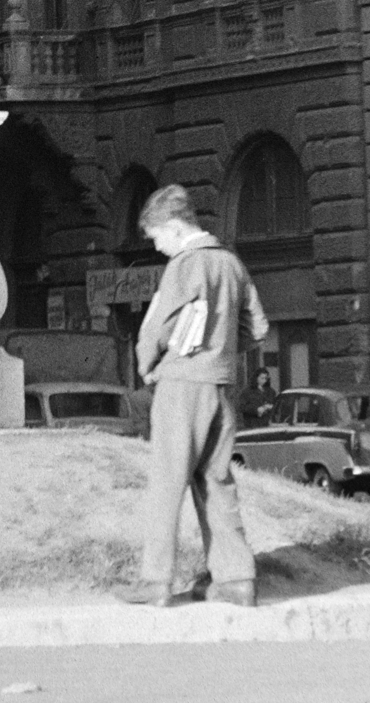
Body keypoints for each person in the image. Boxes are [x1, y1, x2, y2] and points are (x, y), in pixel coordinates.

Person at [118, 183, 269, 610]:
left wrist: (148, 363)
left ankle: (155, 582)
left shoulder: (184, 265)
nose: (159, 248)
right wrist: (219, 351)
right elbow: (258, 329)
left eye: (156, 238)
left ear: (172, 227)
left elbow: (156, 326)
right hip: (222, 386)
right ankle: (237, 580)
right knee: (216, 481)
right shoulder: (232, 263)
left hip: (182, 386)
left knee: (168, 482)